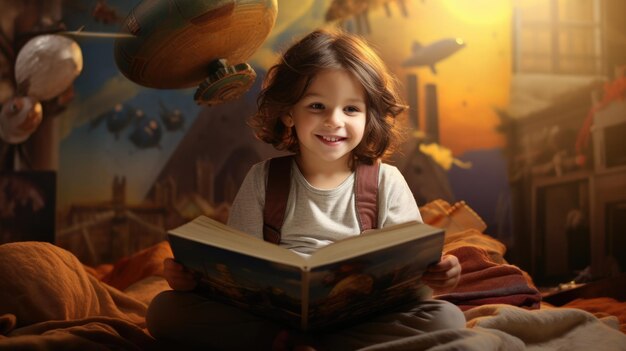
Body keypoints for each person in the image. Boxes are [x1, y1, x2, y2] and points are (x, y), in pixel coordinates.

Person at [147, 28, 465, 350]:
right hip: (272, 319)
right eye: (317, 106)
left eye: (351, 109)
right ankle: (289, 342)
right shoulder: (262, 180)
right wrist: (189, 281)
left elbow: (410, 275)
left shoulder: (387, 181)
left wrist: (437, 275)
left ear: (369, 117)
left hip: (364, 317)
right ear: (288, 114)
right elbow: (236, 274)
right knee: (164, 311)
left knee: (446, 317)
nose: (334, 121)